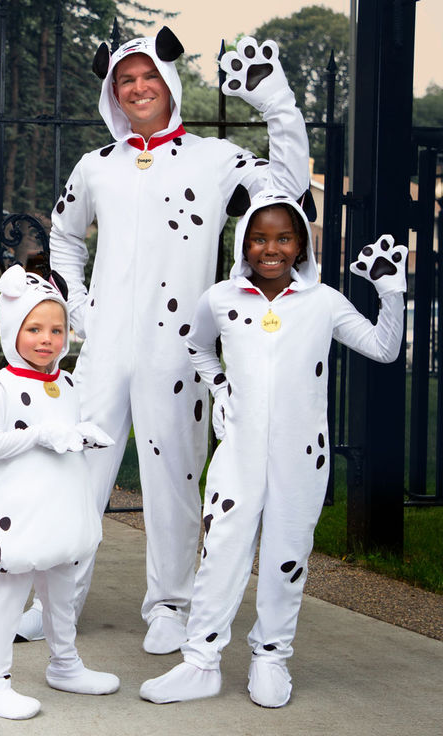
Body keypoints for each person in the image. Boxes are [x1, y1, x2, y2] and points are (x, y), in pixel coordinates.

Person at [17, 28, 310, 654]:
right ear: (113, 93)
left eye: (148, 76)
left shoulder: (215, 158)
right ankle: (55, 599)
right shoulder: (95, 166)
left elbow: (287, 185)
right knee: (76, 468)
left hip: (178, 348)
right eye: (126, 80)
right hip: (104, 347)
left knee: (175, 476)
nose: (139, 88)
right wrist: (77, 307)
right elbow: (65, 236)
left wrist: (276, 105)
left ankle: (171, 604)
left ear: (169, 82)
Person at [139, 190, 406, 707]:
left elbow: (384, 348)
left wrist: (390, 292)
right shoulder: (221, 298)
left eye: (284, 238)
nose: (271, 248)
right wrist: (220, 388)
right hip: (238, 451)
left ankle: (272, 656)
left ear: (301, 245)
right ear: (244, 242)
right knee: (221, 551)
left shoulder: (323, 302)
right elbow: (196, 346)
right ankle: (200, 660)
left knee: (289, 553)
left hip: (302, 454)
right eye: (260, 238)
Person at [0, 265, 119, 720]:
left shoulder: (66, 383)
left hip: (59, 511)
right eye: (34, 329)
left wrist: (81, 433)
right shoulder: (1, 386)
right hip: (16, 514)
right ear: (14, 331)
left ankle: (65, 665)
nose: (46, 339)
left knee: (61, 591)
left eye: (57, 329)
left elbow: (63, 436)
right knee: (11, 594)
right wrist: (39, 435)